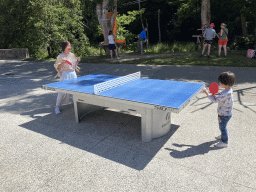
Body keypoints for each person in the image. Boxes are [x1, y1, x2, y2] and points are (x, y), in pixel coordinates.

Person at [203, 71, 235, 148]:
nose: (219, 83)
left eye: (220, 82)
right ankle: (222, 135)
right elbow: (221, 98)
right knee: (223, 126)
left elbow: (215, 101)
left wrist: (206, 93)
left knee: (222, 127)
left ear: (226, 84)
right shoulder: (229, 90)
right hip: (227, 113)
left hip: (223, 114)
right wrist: (215, 96)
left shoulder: (224, 93)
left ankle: (224, 141)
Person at [54, 41, 81, 114]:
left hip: (73, 74)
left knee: (75, 91)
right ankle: (57, 107)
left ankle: (78, 105)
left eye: (70, 46)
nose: (70, 47)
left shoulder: (72, 55)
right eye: (69, 46)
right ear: (65, 47)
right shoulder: (60, 56)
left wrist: (77, 62)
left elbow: (73, 65)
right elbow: (57, 68)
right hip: (65, 74)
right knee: (62, 91)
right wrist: (62, 63)